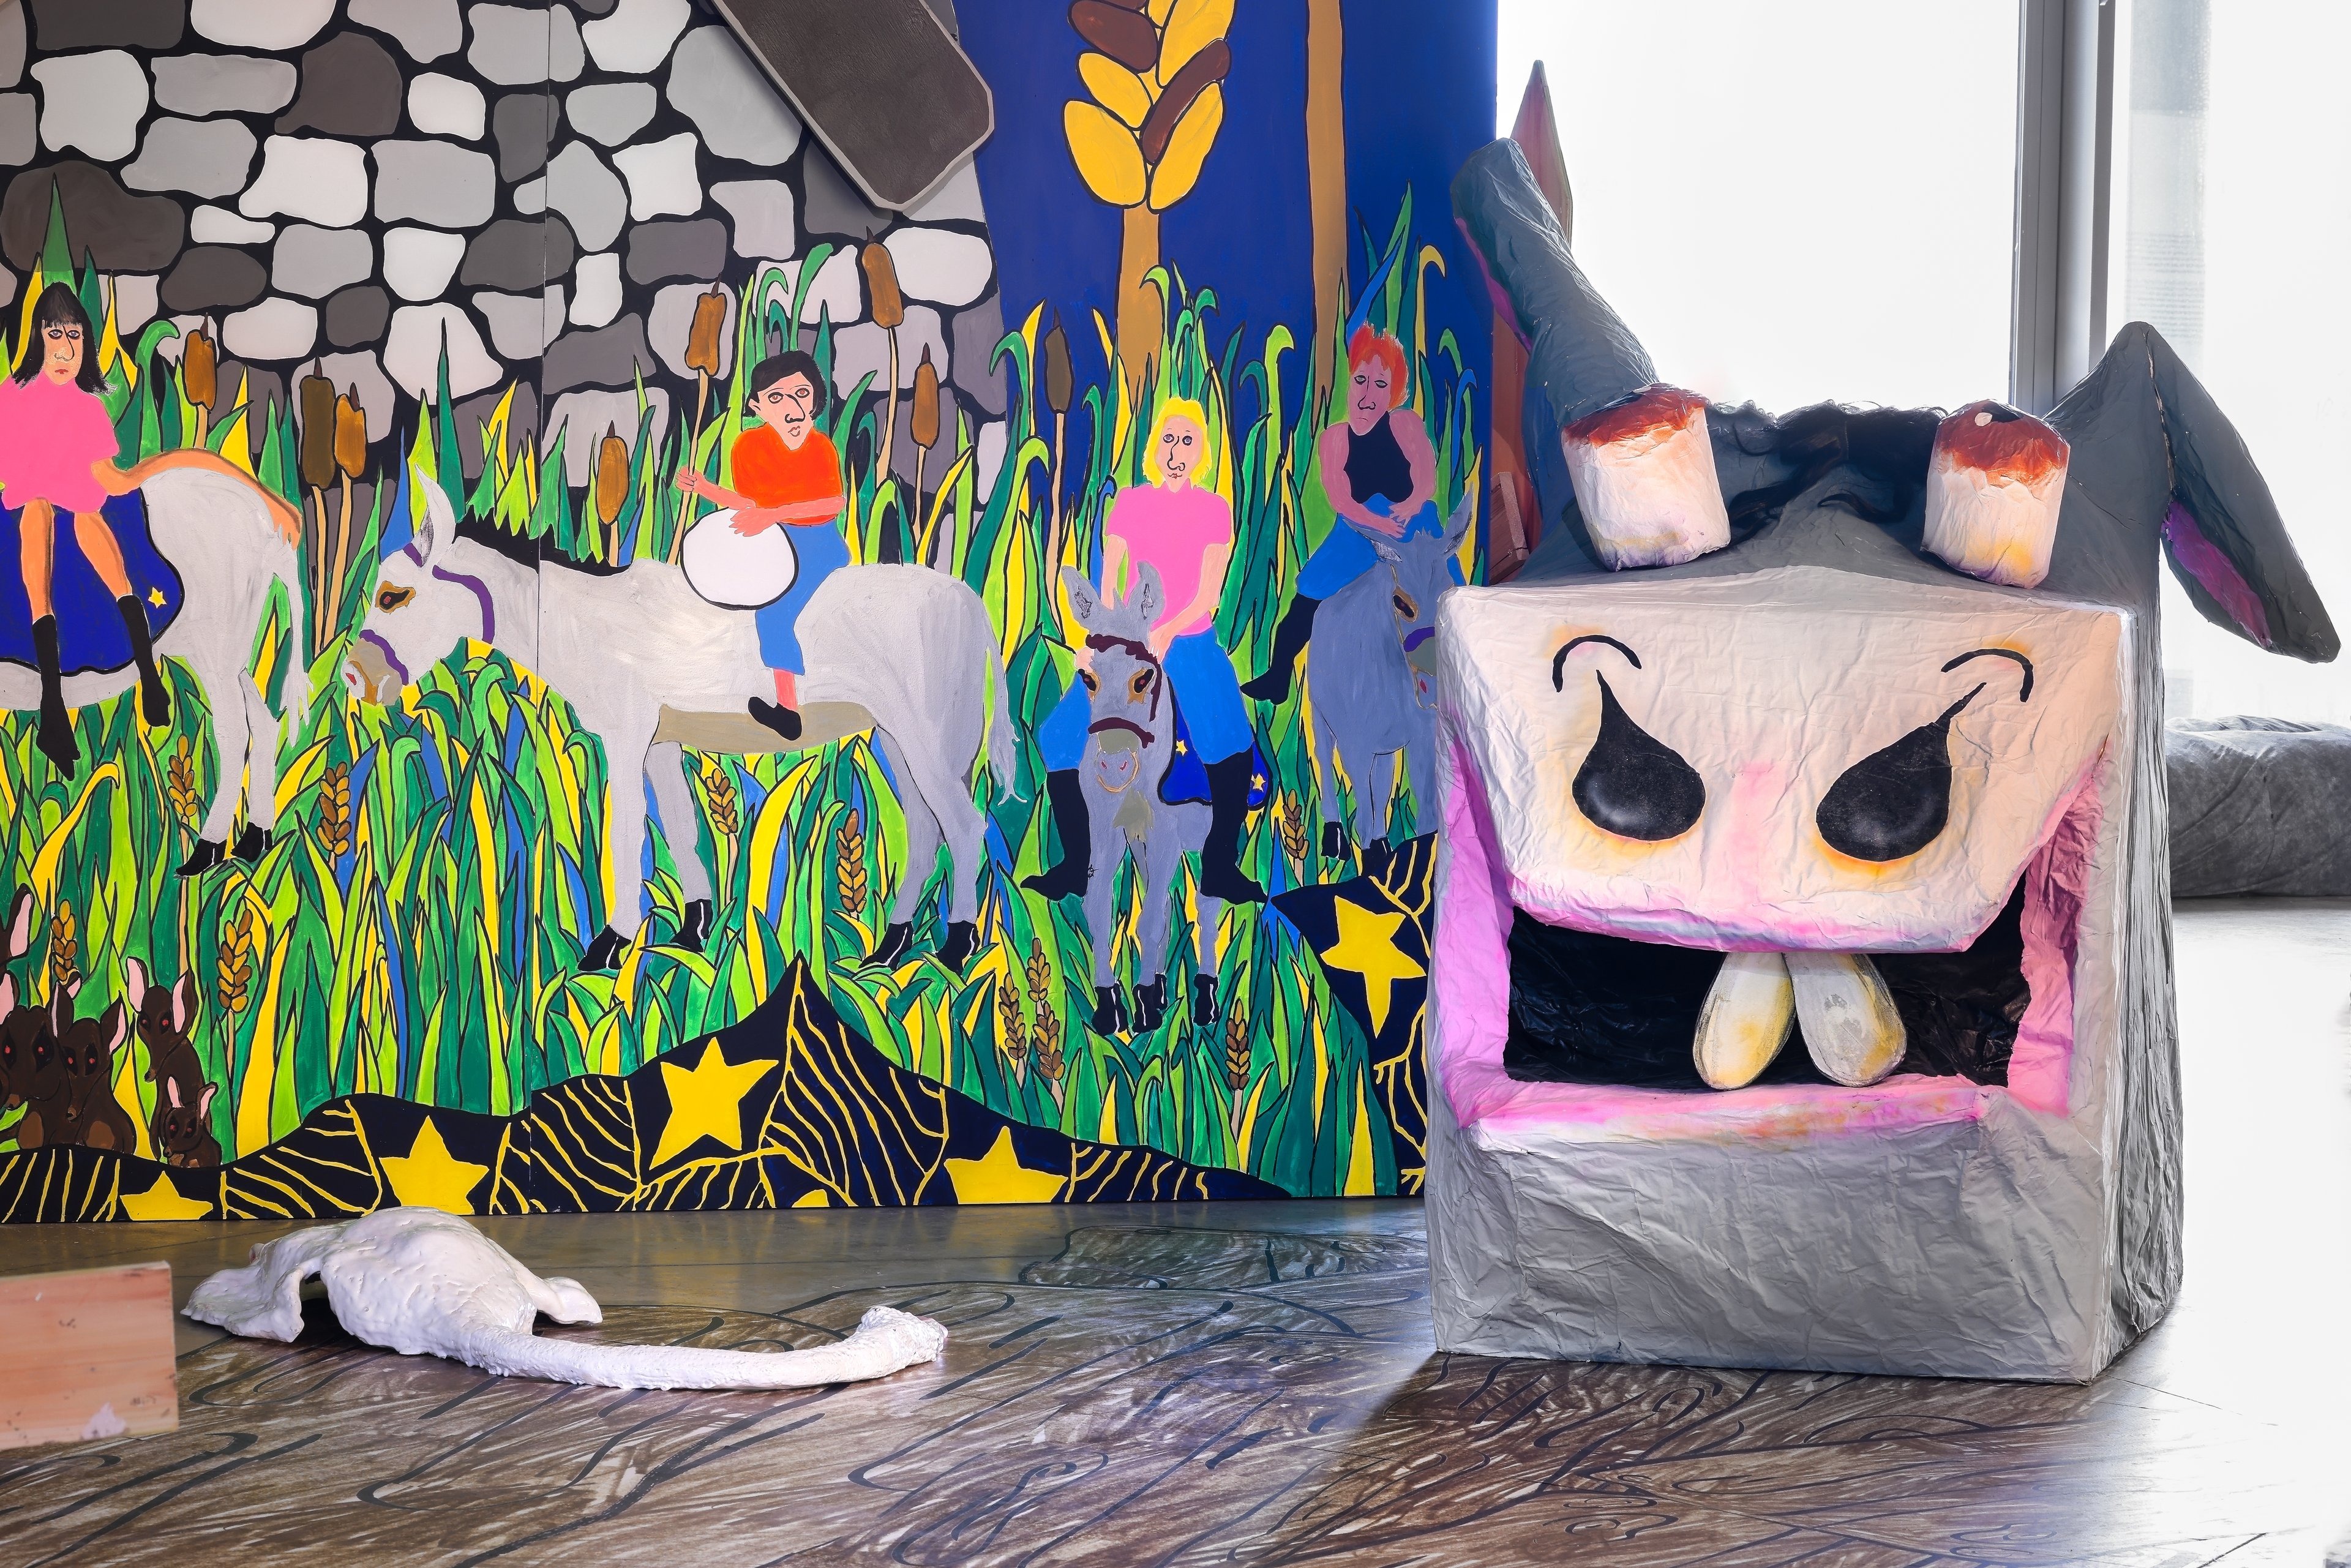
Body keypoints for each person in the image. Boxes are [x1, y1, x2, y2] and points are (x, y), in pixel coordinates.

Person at [1026, 399, 1264, 906]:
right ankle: (1077, 863)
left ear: (1202, 453)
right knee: (1058, 736)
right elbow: (1110, 579)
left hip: (1189, 638)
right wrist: (1107, 636)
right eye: (1168, 440)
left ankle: (1219, 865)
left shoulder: (1214, 509)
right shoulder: (1131, 504)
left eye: (1188, 441)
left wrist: (1168, 631)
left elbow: (1209, 593)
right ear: (1153, 448)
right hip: (1129, 639)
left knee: (1230, 736)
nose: (1176, 452)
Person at [0, 283, 168, 774]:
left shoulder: (89, 407)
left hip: (81, 506)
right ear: (38, 338)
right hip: (31, 506)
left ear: (86, 342)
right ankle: (53, 704)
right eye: (54, 335)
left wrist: (166, 465)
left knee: (89, 522)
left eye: (74, 336)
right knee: (38, 514)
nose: (65, 350)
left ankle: (149, 674)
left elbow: (111, 480)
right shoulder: (12, 395)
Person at [1242, 324, 1458, 703]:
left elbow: (1426, 476)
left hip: (1413, 524)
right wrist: (1376, 524)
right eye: (1361, 380)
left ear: (1393, 393)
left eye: (1380, 384)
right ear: (1350, 380)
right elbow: (1341, 497)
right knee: (1306, 596)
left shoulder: (1405, 424)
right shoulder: (1335, 438)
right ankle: (1278, 678)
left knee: (1452, 588)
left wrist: (1408, 507)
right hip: (1358, 531)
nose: (1368, 393)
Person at [675, 350, 851, 743]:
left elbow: (833, 503)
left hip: (817, 542)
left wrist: (774, 515)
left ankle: (788, 711)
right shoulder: (747, 447)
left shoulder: (821, 447)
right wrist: (705, 489)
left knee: (773, 617)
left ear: (816, 400)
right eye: (776, 398)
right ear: (757, 407)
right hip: (773, 537)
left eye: (801, 394)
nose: (792, 408)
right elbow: (750, 504)